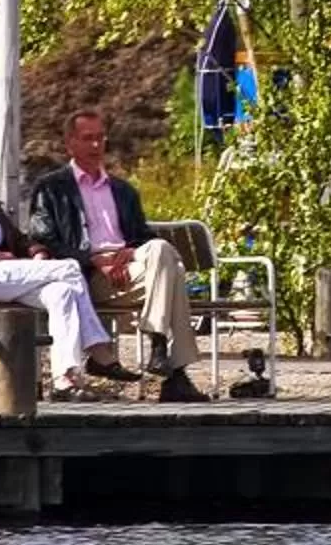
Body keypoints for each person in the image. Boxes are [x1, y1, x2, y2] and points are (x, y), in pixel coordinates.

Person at [0, 126, 133, 396]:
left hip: (3, 276)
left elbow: (19, 240)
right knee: (69, 267)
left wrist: (36, 252)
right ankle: (98, 350)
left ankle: (65, 379)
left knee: (62, 293)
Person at [29, 108, 208, 402]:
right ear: (70, 143)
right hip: (87, 277)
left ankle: (162, 347)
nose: (96, 146)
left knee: (162, 252)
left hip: (130, 268)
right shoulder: (51, 189)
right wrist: (93, 259)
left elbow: (144, 236)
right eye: (88, 139)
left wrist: (130, 251)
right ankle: (172, 370)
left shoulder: (123, 190)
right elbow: (44, 239)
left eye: (100, 138)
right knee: (173, 273)